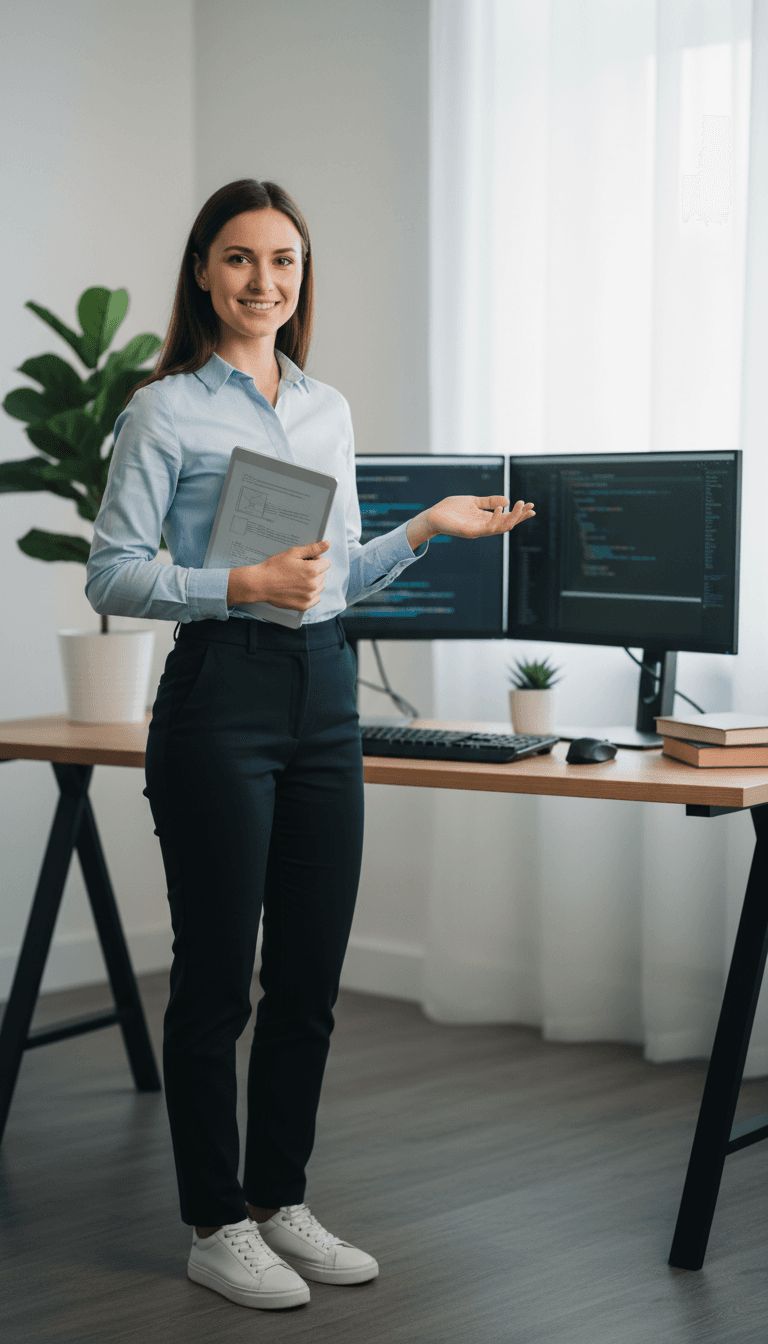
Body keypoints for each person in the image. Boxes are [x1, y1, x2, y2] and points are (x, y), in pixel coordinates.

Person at [85, 178, 535, 1313]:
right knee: (216, 982)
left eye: (283, 262)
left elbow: (326, 580)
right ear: (202, 271)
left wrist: (425, 530)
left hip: (321, 694)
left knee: (311, 980)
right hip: (219, 696)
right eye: (240, 259)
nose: (263, 282)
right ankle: (213, 1221)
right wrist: (234, 579)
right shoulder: (165, 411)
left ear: (302, 278)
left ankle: (280, 1199)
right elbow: (112, 571)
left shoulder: (325, 408)